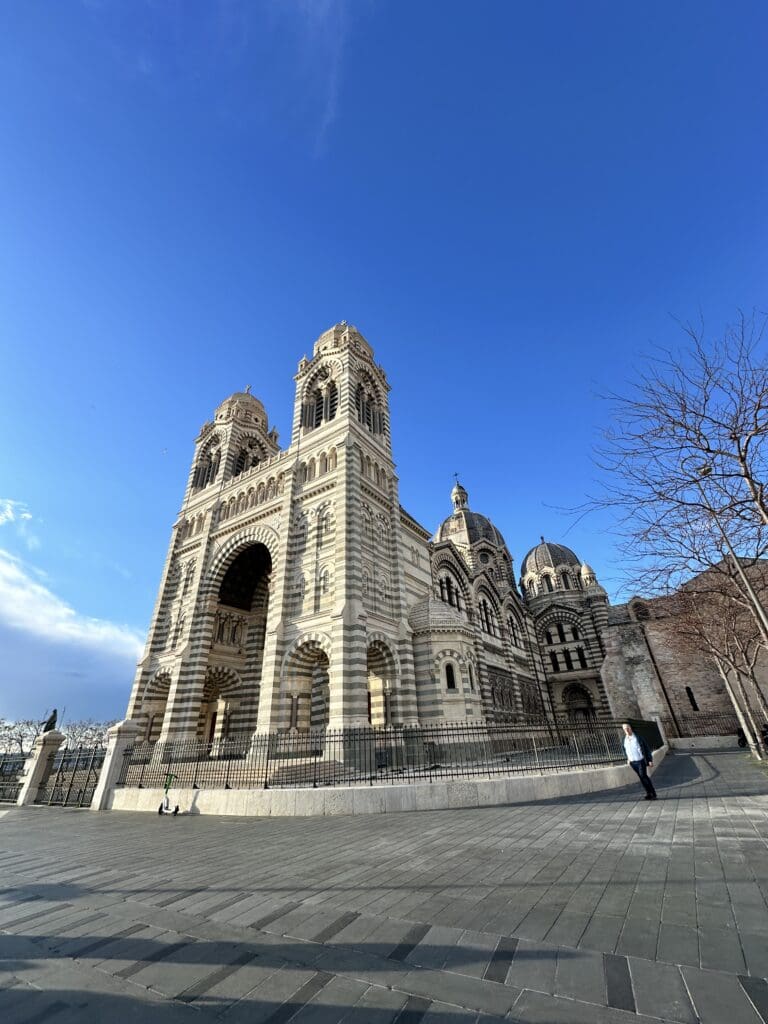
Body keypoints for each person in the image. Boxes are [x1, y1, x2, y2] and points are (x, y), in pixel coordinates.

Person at [622, 723, 657, 800]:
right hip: (632, 763)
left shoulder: (638, 738)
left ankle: (653, 793)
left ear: (630, 728)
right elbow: (624, 750)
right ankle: (649, 793)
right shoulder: (624, 739)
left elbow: (646, 749)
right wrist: (627, 758)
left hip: (640, 761)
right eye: (624, 729)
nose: (626, 730)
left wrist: (650, 760)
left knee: (643, 776)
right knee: (642, 777)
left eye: (627, 728)